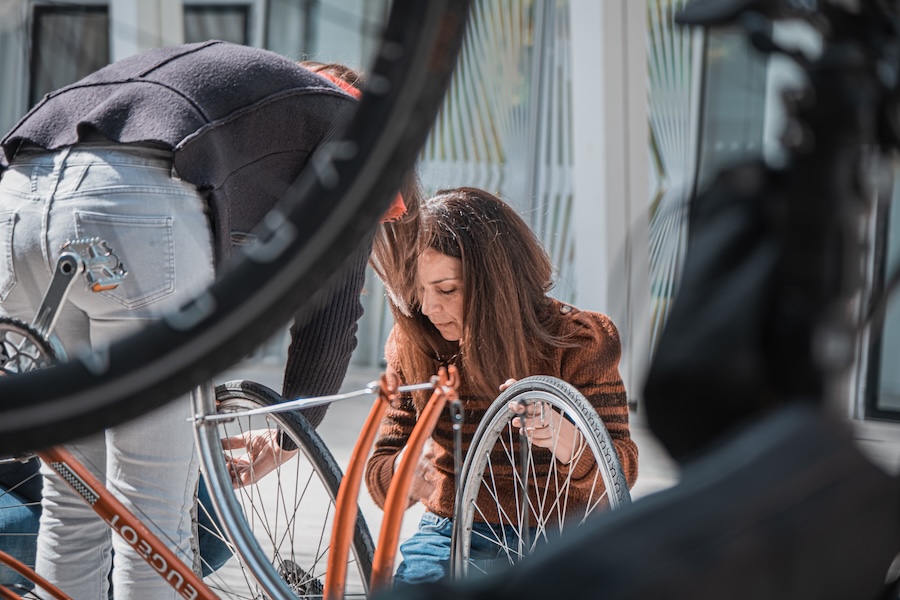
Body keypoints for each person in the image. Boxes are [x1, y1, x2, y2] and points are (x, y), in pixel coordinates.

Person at [0, 40, 383, 598]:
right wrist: (289, 435)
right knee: (154, 507)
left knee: (74, 494)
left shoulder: (240, 93)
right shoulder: (357, 129)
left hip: (17, 199)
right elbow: (332, 314)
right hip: (128, 202)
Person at [363, 187, 640, 585]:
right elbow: (379, 469)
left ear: (498, 283)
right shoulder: (413, 344)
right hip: (453, 532)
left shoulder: (578, 340)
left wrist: (570, 441)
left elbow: (622, 470)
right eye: (420, 290)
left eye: (447, 289)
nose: (429, 308)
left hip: (564, 536)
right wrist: (404, 473)